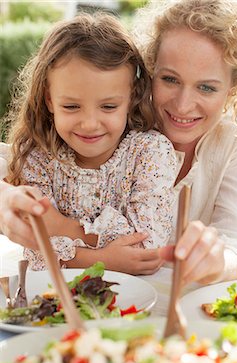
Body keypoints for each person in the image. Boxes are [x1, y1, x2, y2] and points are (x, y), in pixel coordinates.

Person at [0, 0, 237, 284]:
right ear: (149, 71)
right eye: (170, 79)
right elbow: (20, 161)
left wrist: (219, 259)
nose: (183, 106)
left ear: (234, 89)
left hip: (184, 305)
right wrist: (4, 198)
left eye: (207, 87)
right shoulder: (113, 115)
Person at [0, 13, 177, 271]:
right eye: (71, 106)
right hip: (57, 300)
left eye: (108, 106)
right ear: (50, 100)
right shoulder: (38, 159)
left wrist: (60, 227)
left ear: (132, 97)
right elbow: (36, 254)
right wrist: (106, 258)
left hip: (136, 302)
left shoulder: (150, 153)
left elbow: (146, 251)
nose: (90, 123)